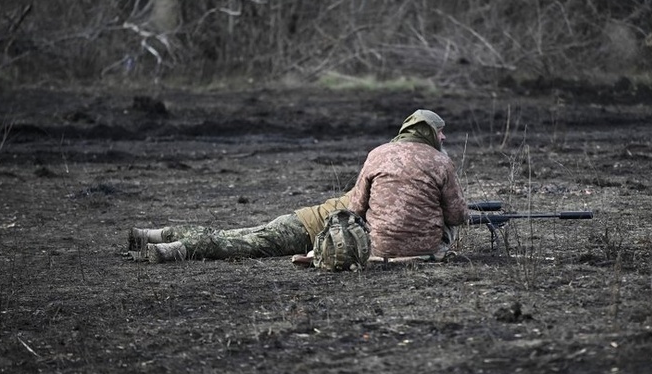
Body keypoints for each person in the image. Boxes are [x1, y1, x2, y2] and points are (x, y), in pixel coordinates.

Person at [347, 109, 469, 261]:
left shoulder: (376, 155)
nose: (443, 137)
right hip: (427, 251)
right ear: (428, 133)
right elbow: (457, 216)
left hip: (378, 251)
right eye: (439, 132)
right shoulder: (441, 161)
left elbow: (355, 209)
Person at [129, 193, 350, 263]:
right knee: (235, 245)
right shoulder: (367, 199)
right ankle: (168, 250)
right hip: (302, 233)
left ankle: (150, 235)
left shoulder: (362, 186)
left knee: (225, 236)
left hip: (297, 219)